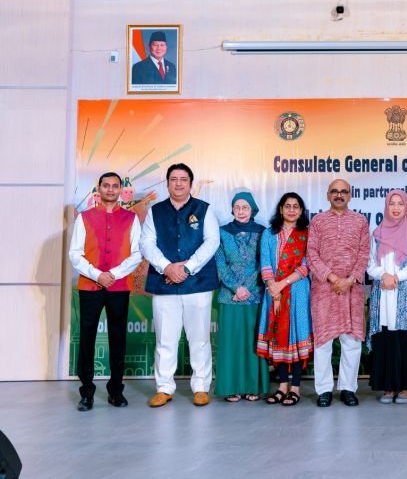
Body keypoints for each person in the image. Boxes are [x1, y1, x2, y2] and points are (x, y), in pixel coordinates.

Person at [141, 163, 219, 408]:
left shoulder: (204, 210)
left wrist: (186, 268)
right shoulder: (156, 211)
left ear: (190, 183)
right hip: (164, 284)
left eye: (183, 179)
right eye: (173, 179)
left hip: (198, 284)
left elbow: (212, 241)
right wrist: (167, 267)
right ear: (167, 183)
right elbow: (147, 244)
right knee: (165, 339)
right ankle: (164, 388)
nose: (178, 183)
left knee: (199, 339)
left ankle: (201, 387)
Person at [68, 172, 142, 411]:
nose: (110, 189)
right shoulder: (85, 218)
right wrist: (97, 274)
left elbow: (137, 253)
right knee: (87, 338)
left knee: (118, 338)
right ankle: (87, 393)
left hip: (119, 286)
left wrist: (114, 275)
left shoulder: (131, 219)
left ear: (120, 190)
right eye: (106, 185)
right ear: (98, 189)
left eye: (115, 186)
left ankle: (115, 391)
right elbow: (75, 254)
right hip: (90, 286)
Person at [307, 179, 370, 407]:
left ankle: (347, 388)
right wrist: (333, 278)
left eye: (344, 192)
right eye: (335, 191)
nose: (339, 195)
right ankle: (324, 390)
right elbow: (311, 254)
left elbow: (364, 254)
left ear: (350, 195)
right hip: (324, 289)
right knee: (323, 341)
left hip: (351, 290)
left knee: (351, 341)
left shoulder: (360, 221)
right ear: (327, 195)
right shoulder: (318, 221)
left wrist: (350, 279)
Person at [366, 190, 407, 403]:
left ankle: (405, 387)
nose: (395, 207)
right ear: (386, 206)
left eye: (400, 204)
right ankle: (387, 387)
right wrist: (382, 275)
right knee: (386, 336)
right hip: (383, 291)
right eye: (391, 203)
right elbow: (369, 263)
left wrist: (397, 277)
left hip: (406, 292)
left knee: (405, 337)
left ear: (406, 207)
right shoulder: (377, 234)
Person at [257, 192, 313, 407]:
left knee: (296, 335)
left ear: (301, 211)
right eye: (287, 206)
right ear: (280, 209)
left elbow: (307, 264)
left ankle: (296, 387)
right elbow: (265, 263)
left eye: (296, 206)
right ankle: (282, 386)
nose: (291, 210)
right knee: (279, 336)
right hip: (274, 293)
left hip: (298, 291)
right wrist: (273, 286)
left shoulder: (307, 234)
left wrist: (283, 283)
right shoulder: (269, 234)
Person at [214, 191, 268, 403]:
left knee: (253, 342)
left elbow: (263, 263)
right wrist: (236, 288)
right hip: (230, 297)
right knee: (231, 343)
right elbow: (220, 263)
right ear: (232, 209)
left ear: (252, 209)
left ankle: (252, 386)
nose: (241, 211)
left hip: (255, 295)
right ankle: (231, 387)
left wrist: (247, 289)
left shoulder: (263, 233)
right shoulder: (222, 232)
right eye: (237, 207)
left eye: (245, 208)